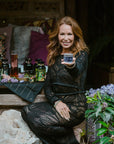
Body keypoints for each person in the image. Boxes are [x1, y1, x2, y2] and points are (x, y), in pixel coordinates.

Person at [21, 16, 89, 144]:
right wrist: (57, 102)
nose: (66, 38)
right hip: (59, 104)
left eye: (70, 34)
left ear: (75, 36)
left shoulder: (81, 54)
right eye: (62, 34)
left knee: (40, 123)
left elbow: (77, 71)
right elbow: (48, 87)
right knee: (26, 111)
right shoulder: (54, 55)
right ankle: (69, 138)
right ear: (57, 36)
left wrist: (71, 66)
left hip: (75, 107)